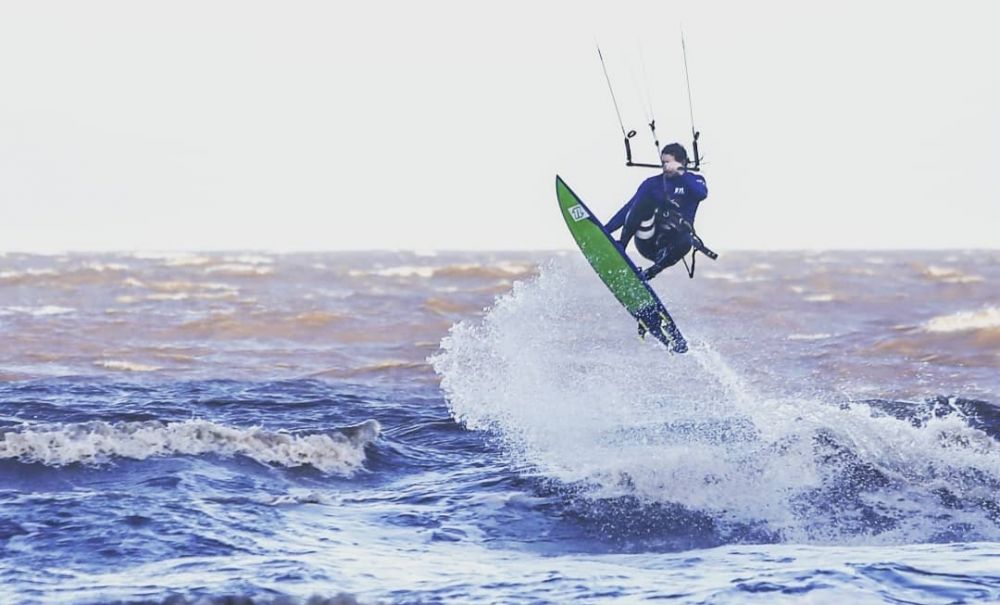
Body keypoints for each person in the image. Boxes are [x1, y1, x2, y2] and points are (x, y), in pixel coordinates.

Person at [605, 142, 708, 280]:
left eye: (669, 163)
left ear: (682, 162)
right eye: (663, 162)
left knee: (687, 240)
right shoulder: (652, 184)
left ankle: (649, 273)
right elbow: (629, 209)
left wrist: (681, 172)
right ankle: (621, 246)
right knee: (643, 203)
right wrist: (605, 231)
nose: (665, 167)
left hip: (668, 249)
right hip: (647, 239)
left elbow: (701, 194)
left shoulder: (695, 180)